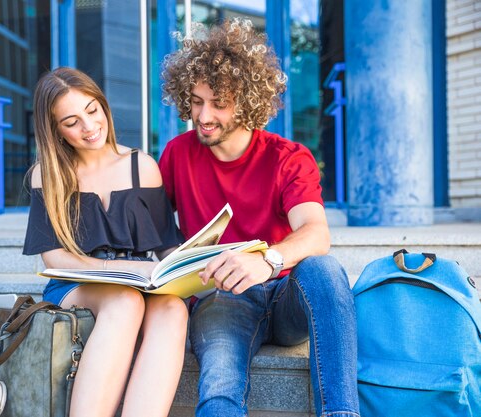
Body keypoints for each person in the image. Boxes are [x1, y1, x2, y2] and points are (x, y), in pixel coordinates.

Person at [159, 19, 360, 417]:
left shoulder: (288, 157)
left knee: (325, 269)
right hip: (222, 299)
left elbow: (316, 233)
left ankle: (341, 412)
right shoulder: (177, 154)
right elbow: (156, 234)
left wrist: (265, 262)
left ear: (248, 101)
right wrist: (177, 269)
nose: (203, 115)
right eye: (197, 101)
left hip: (286, 296)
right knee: (219, 385)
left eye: (218, 103)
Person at [23, 67, 187, 417]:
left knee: (174, 309)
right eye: (71, 121)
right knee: (125, 302)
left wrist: (188, 265)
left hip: (143, 280)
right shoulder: (47, 175)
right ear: (56, 130)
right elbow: (54, 259)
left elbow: (165, 244)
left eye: (92, 110)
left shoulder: (141, 165)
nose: (89, 127)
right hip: (77, 284)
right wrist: (124, 267)